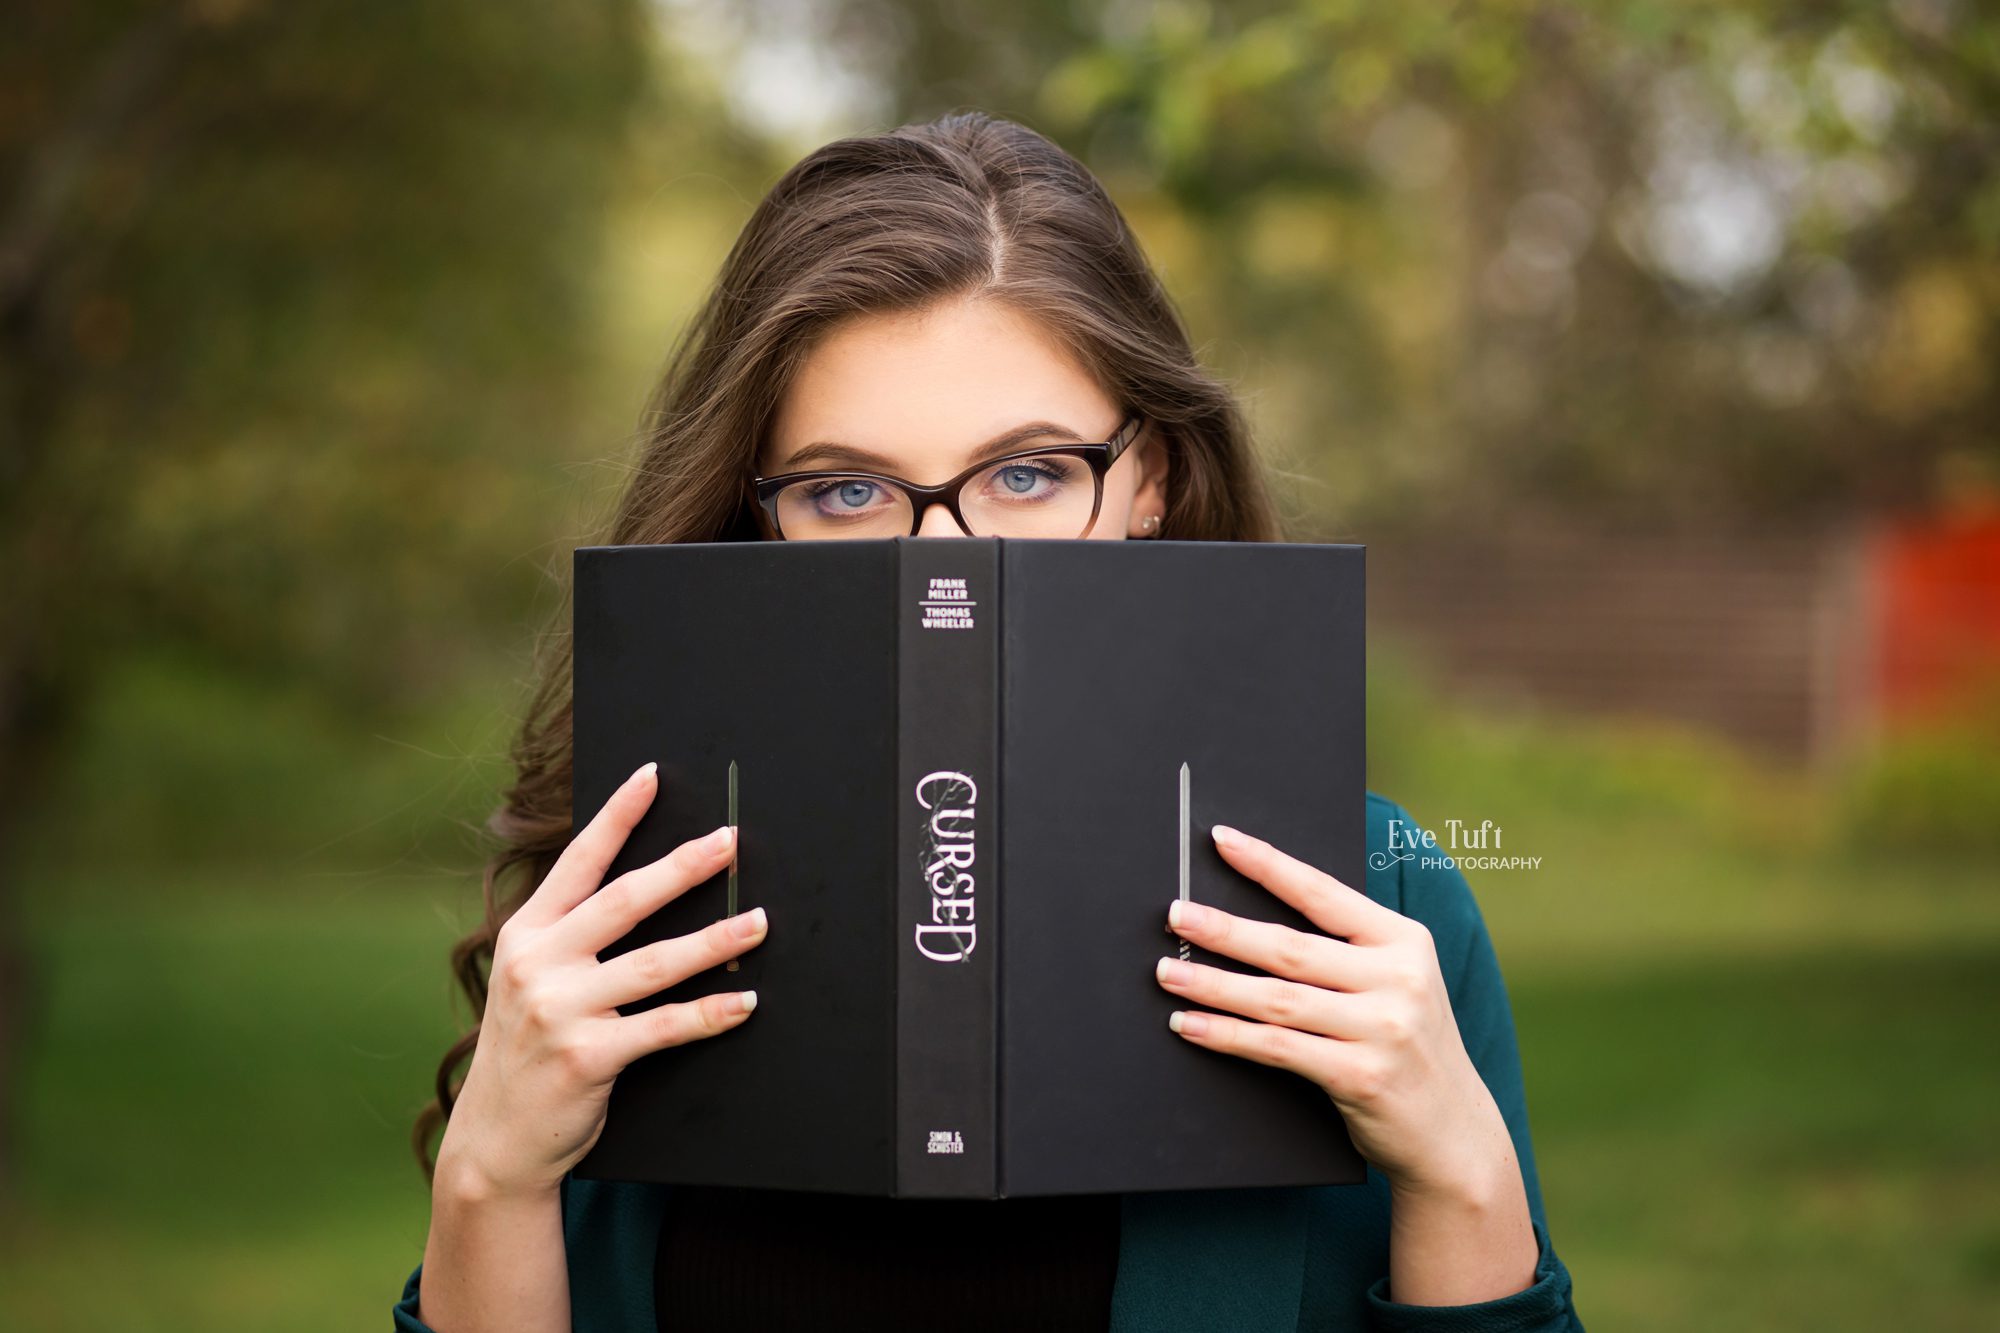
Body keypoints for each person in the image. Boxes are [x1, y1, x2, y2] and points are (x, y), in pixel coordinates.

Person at [394, 110, 1584, 1332]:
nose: (939, 565)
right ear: (755, 520)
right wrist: (488, 1177)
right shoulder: (624, 910)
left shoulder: (1380, 906)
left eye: (1026, 475)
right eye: (844, 491)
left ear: (1151, 480)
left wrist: (1459, 1170)